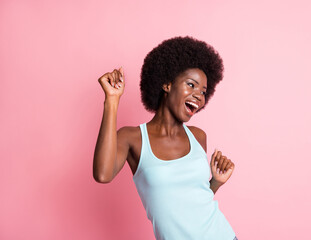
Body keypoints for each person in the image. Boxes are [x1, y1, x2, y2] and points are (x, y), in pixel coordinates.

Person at [93, 36, 238, 240]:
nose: (199, 96)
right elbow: (102, 174)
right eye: (191, 85)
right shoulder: (132, 138)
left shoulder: (198, 136)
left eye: (203, 92)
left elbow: (190, 200)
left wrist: (216, 182)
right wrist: (112, 99)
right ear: (167, 84)